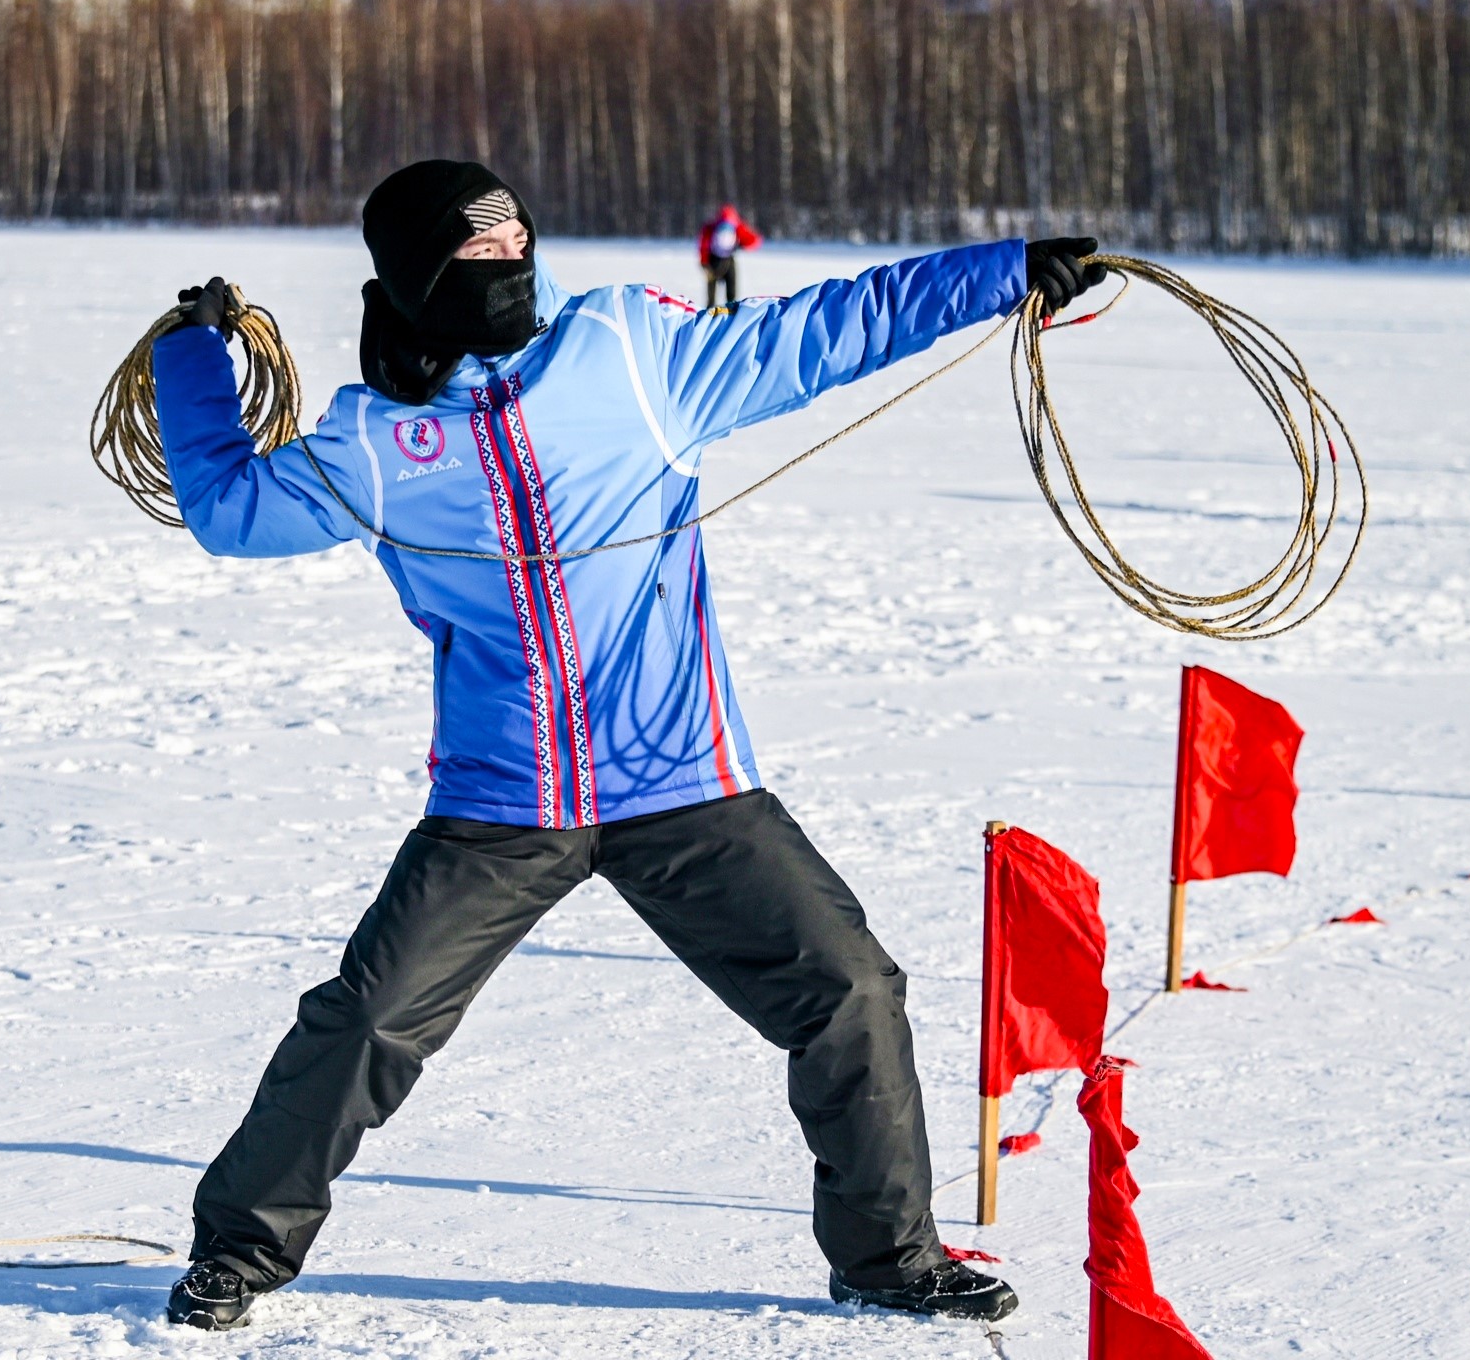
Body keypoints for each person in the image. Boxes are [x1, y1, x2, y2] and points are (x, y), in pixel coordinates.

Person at [149, 159, 1107, 1332]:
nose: (507, 265)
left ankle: (887, 1259)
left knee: (850, 990)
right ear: (414, 276)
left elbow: (827, 328)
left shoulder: (628, 354)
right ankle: (238, 1254)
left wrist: (998, 273)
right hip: (502, 805)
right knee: (365, 1019)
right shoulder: (375, 444)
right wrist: (191, 360)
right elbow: (230, 510)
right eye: (475, 253)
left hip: (685, 786)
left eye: (516, 243)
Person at [698, 203, 761, 308]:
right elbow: (755, 240)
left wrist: (704, 262)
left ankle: (709, 312)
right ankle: (731, 312)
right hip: (728, 261)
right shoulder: (737, 225)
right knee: (731, 294)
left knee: (712, 295)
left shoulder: (711, 226)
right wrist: (741, 245)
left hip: (713, 261)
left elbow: (703, 245)